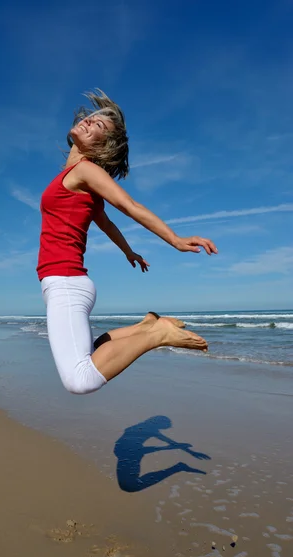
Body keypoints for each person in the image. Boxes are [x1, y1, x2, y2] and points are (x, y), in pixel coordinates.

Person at [37, 89, 217, 395]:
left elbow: (129, 205)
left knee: (80, 379)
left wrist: (174, 239)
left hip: (66, 281)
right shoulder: (76, 178)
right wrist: (128, 251)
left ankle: (156, 334)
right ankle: (146, 326)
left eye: (99, 128)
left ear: (101, 148)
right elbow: (106, 224)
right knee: (90, 354)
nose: (90, 123)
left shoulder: (85, 171)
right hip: (66, 282)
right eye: (92, 118)